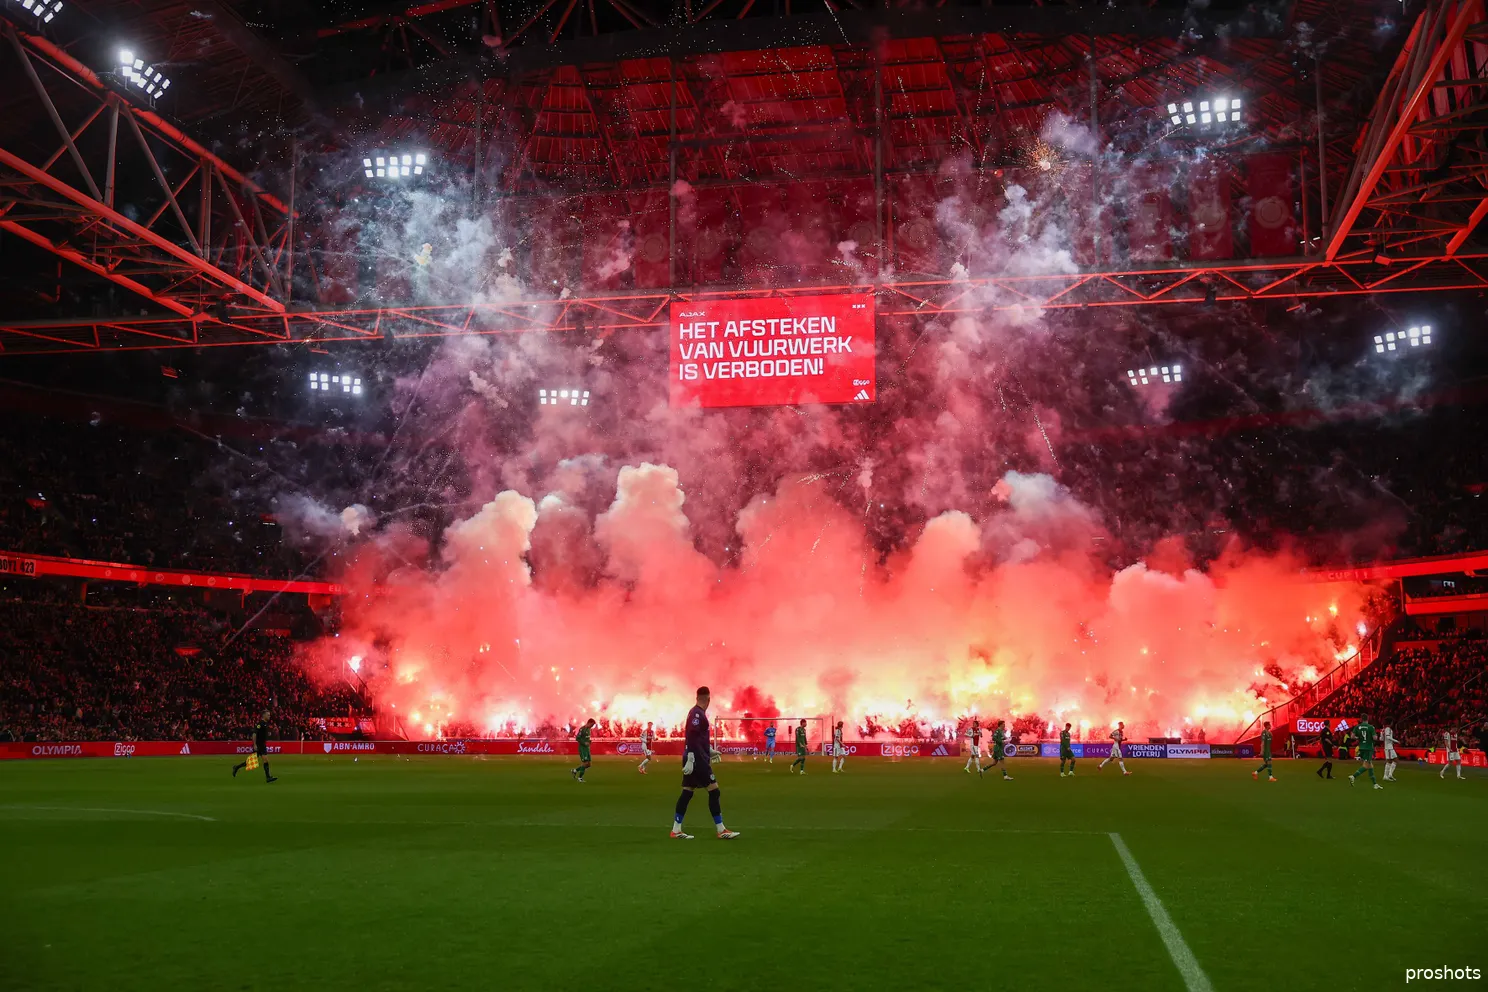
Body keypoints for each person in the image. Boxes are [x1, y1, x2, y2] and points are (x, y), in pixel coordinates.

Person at [670, 686, 739, 840]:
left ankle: (676, 829)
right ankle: (721, 830)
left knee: (687, 792)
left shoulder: (695, 712)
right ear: (709, 699)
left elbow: (697, 738)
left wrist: (709, 750)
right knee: (714, 791)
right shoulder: (697, 714)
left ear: (697, 698)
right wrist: (692, 758)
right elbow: (692, 736)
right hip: (697, 759)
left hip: (695, 757)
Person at [231, 709, 276, 783]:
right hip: (259, 745)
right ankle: (236, 767)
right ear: (264, 715)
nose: (269, 716)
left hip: (262, 745)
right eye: (268, 715)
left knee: (263, 760)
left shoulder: (265, 724)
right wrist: (254, 744)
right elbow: (254, 734)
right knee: (254, 761)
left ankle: (268, 777)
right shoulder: (260, 724)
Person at [1348, 716, 1383, 789]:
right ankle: (1353, 776)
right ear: (1368, 719)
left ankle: (1375, 784)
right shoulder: (1371, 727)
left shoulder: (1357, 727)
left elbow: (1352, 737)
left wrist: (1358, 738)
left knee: (1370, 765)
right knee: (1367, 765)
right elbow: (1375, 738)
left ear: (1361, 719)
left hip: (1361, 748)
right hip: (1368, 748)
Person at [571, 718, 595, 782]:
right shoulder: (582, 729)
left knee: (589, 764)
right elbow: (577, 738)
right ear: (589, 723)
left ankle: (575, 770)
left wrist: (589, 741)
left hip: (587, 748)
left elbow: (586, 738)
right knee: (585, 763)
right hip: (582, 748)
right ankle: (580, 778)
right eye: (592, 725)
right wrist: (584, 743)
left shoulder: (589, 729)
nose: (592, 726)